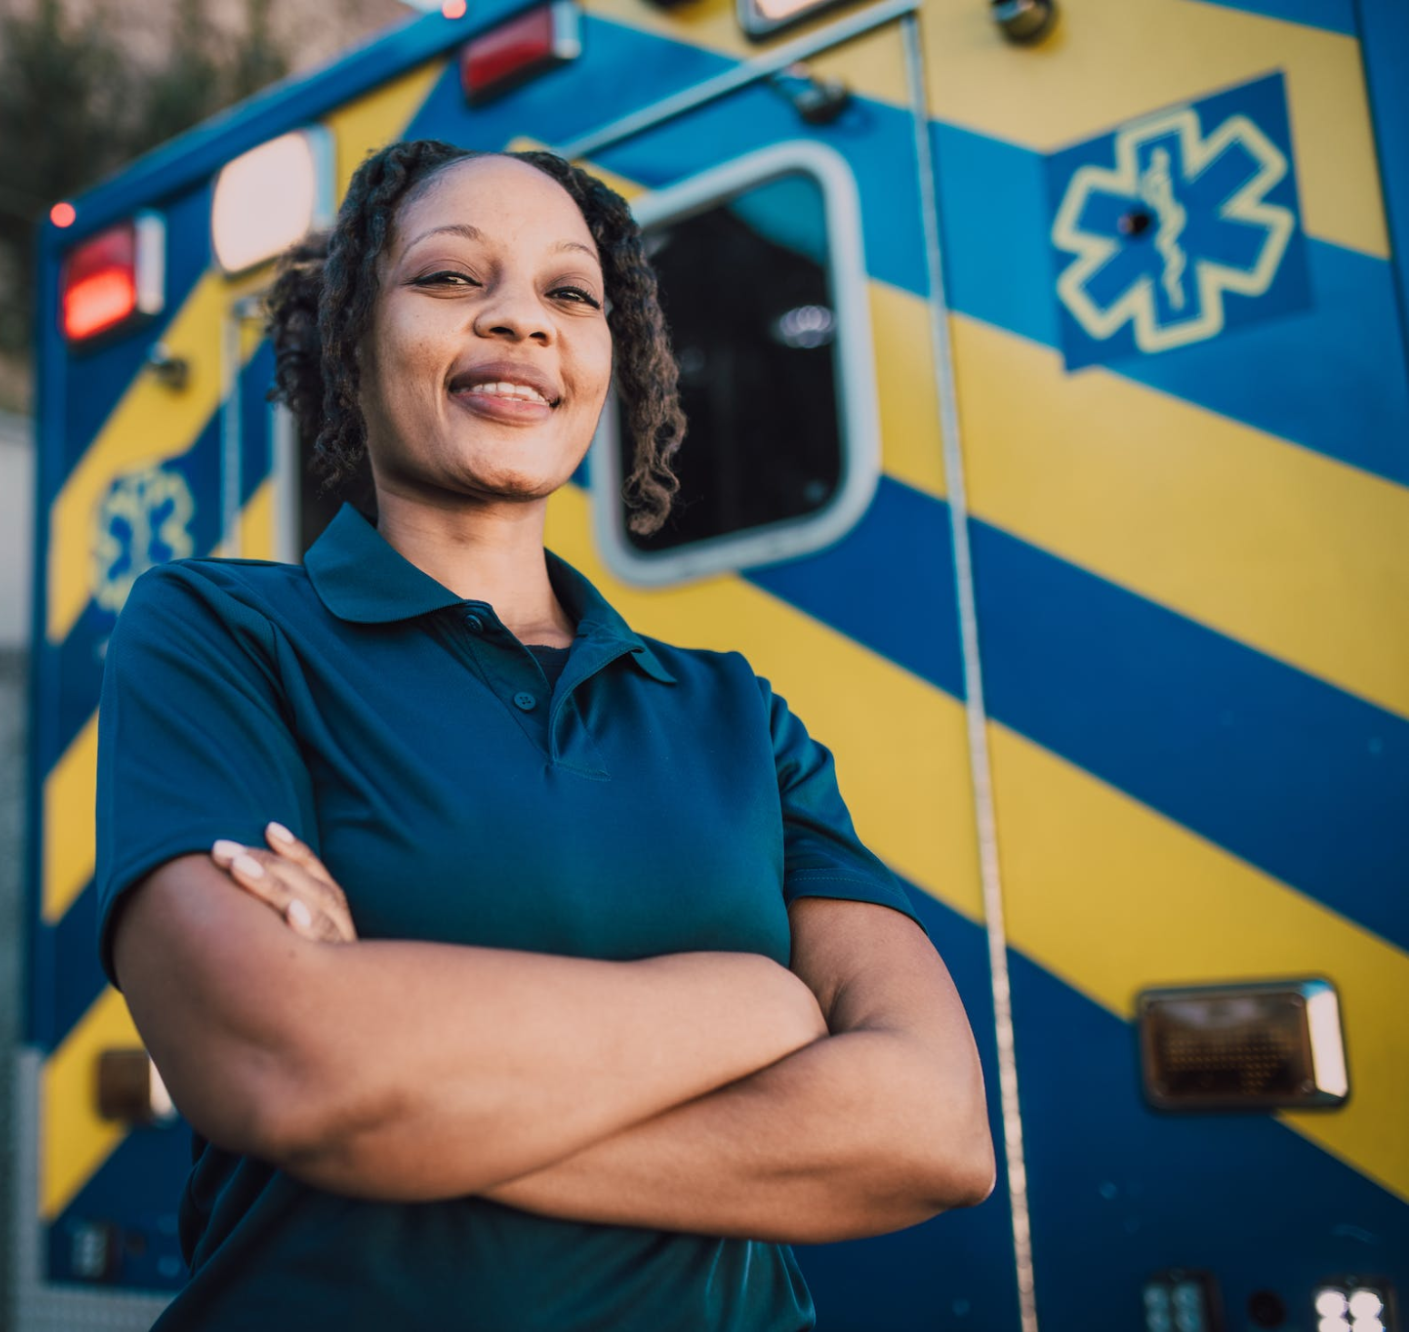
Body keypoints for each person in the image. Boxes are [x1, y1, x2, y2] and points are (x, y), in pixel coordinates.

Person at [93, 139, 995, 1331]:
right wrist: (756, 1005)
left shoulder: (736, 716)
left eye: (570, 293)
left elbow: (934, 1132)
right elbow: (275, 1062)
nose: (522, 321)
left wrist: (401, 1107)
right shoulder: (219, 632)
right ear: (354, 339)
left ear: (609, 364)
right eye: (452, 279)